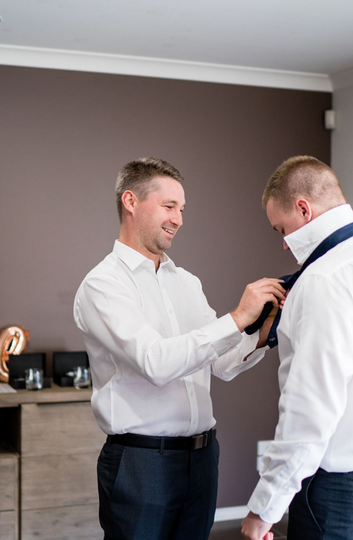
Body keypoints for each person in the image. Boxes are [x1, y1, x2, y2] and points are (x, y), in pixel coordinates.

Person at [73, 156, 285, 540]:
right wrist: (237, 318)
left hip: (203, 459)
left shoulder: (186, 282)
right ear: (131, 201)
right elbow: (155, 363)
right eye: (169, 206)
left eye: (182, 209)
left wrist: (261, 334)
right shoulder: (102, 286)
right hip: (140, 464)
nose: (179, 219)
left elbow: (221, 362)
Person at [241, 155, 353, 540]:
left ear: (304, 209)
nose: (285, 247)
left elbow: (311, 406)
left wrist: (264, 509)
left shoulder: (322, 279)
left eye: (281, 229)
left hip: (338, 491)